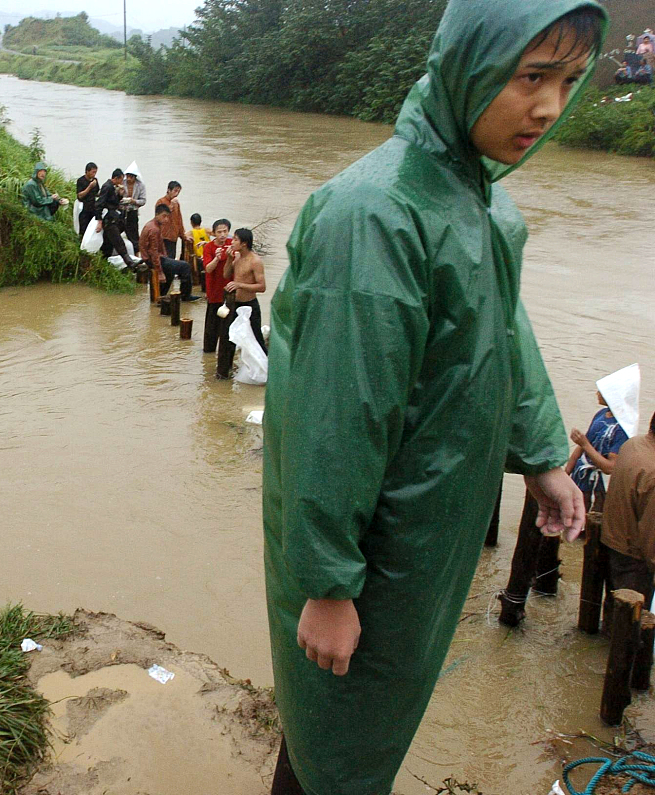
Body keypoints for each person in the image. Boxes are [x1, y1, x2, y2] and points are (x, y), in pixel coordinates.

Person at [262, 2, 602, 793]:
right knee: (335, 732)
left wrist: (542, 459)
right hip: (375, 543)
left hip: (430, 535)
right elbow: (334, 415)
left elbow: (505, 337)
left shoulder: (485, 206)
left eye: (569, 81)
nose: (549, 107)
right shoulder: (374, 216)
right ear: (467, 67)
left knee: (361, 727)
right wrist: (327, 583)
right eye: (531, 77)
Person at [602, 410, 655, 609]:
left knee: (614, 608)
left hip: (610, 539)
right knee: (632, 619)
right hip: (633, 558)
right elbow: (651, 536)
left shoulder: (633, 444)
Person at [567, 365, 639, 512]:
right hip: (579, 479)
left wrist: (585, 444)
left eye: (601, 391)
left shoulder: (621, 430)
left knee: (588, 520)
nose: (597, 393)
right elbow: (581, 447)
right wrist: (566, 474)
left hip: (596, 488)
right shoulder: (601, 414)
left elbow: (609, 467)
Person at [223, 228, 268, 353]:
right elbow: (226, 275)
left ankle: (265, 362)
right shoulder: (237, 257)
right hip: (234, 303)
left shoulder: (255, 261)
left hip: (249, 305)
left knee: (256, 339)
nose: (232, 242)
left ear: (244, 243)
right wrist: (229, 259)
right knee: (229, 338)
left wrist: (240, 285)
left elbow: (262, 287)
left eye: (235, 240)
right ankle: (228, 364)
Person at [139, 204, 197, 300]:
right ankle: (185, 296)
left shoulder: (152, 225)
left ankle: (161, 295)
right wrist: (159, 272)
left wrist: (166, 258)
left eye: (167, 217)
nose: (166, 219)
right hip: (152, 260)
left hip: (152, 258)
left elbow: (159, 247)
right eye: (164, 216)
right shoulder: (154, 229)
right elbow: (154, 252)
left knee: (171, 271)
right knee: (185, 266)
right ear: (157, 214)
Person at [95, 169, 142, 269]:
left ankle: (102, 264)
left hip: (114, 218)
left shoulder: (112, 187)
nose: (122, 182)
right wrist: (99, 221)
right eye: (121, 179)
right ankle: (130, 262)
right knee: (118, 241)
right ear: (116, 178)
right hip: (109, 220)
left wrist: (120, 195)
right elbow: (99, 204)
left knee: (107, 244)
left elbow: (114, 203)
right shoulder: (107, 187)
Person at [201, 219, 233, 354]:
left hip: (230, 291)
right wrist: (217, 258)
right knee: (211, 326)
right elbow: (208, 269)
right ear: (214, 233)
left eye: (225, 231)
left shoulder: (232, 244)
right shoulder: (208, 247)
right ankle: (208, 353)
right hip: (214, 291)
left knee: (229, 325)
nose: (222, 235)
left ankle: (226, 352)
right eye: (219, 232)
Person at [159, 181, 192, 259]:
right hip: (163, 236)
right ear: (168, 190)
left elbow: (179, 220)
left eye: (178, 192)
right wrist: (171, 206)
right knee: (164, 258)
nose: (176, 194)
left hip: (173, 236)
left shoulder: (177, 204)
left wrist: (183, 236)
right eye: (175, 191)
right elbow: (159, 217)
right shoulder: (161, 202)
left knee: (172, 258)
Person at [121, 164, 146, 249]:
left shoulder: (140, 185)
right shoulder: (122, 183)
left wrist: (134, 201)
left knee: (134, 235)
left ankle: (136, 252)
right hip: (122, 211)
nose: (129, 179)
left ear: (135, 177)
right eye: (127, 176)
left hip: (133, 212)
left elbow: (143, 201)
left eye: (131, 177)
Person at [75, 163, 100, 236]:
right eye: (93, 172)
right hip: (84, 208)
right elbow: (80, 196)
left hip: (93, 206)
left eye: (95, 172)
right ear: (87, 171)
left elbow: (97, 193)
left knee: (92, 228)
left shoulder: (95, 180)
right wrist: (89, 187)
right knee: (83, 228)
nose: (94, 174)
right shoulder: (81, 180)